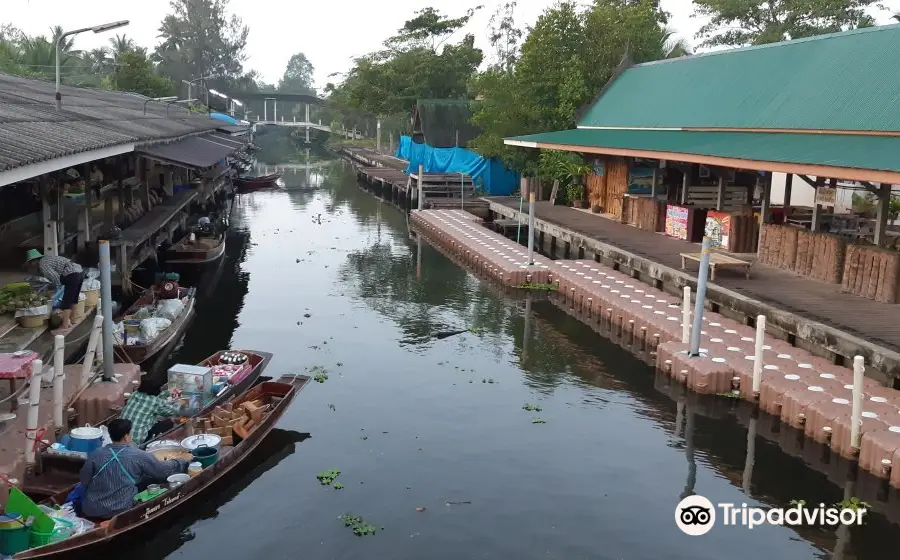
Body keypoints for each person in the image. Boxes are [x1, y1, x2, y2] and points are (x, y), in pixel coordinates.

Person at [79, 418, 188, 519]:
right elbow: (162, 472)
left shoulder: (96, 454)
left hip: (91, 508)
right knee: (154, 480)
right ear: (126, 436)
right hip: (120, 509)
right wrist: (182, 461)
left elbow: (84, 480)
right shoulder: (138, 455)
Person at [23, 249, 83, 333]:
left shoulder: (42, 264)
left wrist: (53, 292)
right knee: (74, 299)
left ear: (34, 261)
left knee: (66, 301)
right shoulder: (48, 259)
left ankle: (65, 326)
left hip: (71, 274)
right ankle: (73, 320)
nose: (31, 266)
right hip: (79, 272)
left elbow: (56, 278)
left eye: (30, 263)